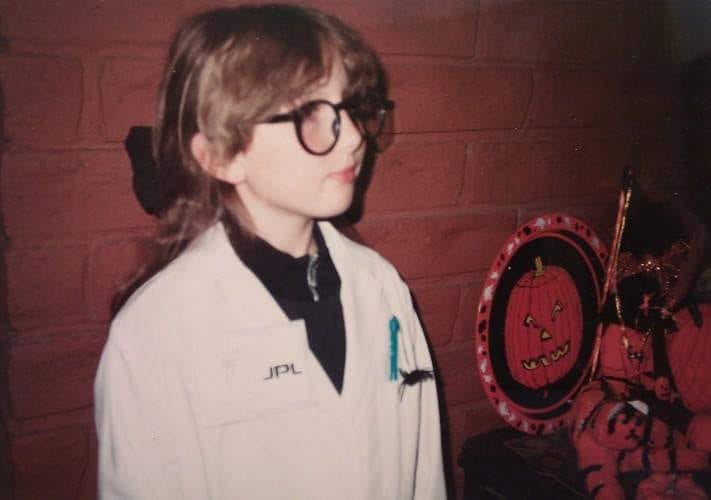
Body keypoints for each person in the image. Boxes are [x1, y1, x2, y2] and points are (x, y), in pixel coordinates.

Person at [93, 4, 446, 499]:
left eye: (349, 106)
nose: (351, 139)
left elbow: (425, 472)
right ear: (221, 156)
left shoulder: (381, 285)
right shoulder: (156, 332)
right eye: (310, 114)